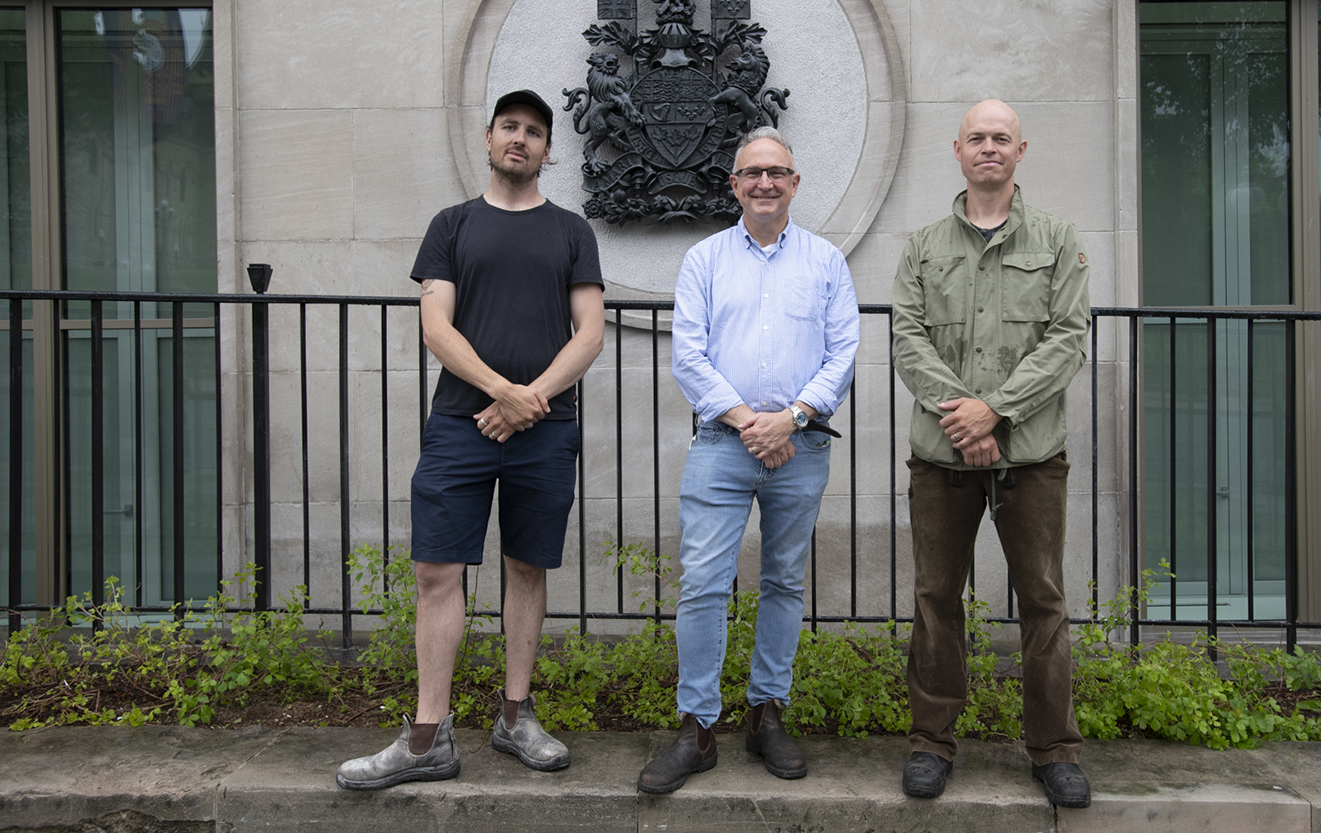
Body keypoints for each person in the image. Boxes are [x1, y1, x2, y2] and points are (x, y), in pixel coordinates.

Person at [336, 90, 605, 790]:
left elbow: (590, 332)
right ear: (488, 139)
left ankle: (515, 715)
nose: (521, 139)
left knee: (526, 567)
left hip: (544, 430)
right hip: (461, 425)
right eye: (510, 127)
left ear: (550, 150)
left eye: (535, 132)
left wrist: (528, 402)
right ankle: (428, 736)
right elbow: (437, 328)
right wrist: (502, 393)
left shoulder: (573, 231)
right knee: (436, 572)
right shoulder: (451, 225)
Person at [637, 127, 860, 794]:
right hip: (722, 447)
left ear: (795, 183)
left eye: (777, 171)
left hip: (803, 445)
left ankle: (768, 714)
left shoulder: (827, 262)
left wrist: (790, 418)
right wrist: (748, 420)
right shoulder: (704, 261)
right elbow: (689, 354)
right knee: (704, 582)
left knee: (785, 582)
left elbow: (843, 350)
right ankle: (697, 727)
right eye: (752, 172)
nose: (765, 182)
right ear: (733, 185)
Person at [891, 99, 1091, 809]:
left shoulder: (1058, 240)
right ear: (957, 148)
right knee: (935, 599)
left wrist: (996, 410)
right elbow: (907, 338)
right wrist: (965, 417)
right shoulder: (921, 247)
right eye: (977, 137)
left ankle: (1054, 750)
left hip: (1032, 456)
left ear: (1021, 149)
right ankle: (931, 743)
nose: (988, 147)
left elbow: (1068, 338)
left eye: (1000, 137)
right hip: (941, 459)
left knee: (1043, 601)